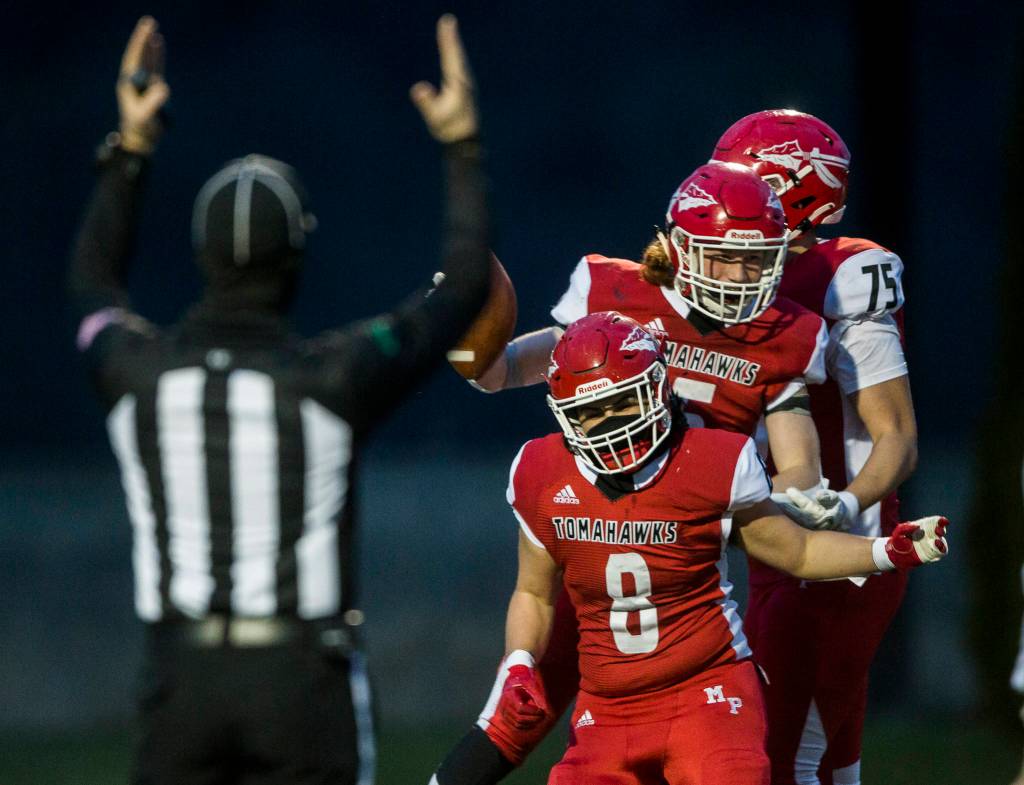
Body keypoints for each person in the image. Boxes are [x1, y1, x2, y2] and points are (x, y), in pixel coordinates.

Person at [68, 15, 491, 785]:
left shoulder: (137, 372)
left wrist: (129, 148)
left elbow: (92, 289)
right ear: (297, 256)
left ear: (200, 255)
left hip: (181, 682)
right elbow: (460, 290)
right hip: (300, 680)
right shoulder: (332, 379)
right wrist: (461, 144)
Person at [431, 161, 831, 784]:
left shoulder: (782, 337)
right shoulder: (614, 295)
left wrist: (800, 493)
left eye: (757, 259)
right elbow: (506, 370)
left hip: (686, 546)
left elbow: (797, 459)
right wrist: (465, 338)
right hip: (600, 518)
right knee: (519, 702)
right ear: (680, 247)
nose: (743, 275)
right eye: (727, 255)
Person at [492, 311, 946, 785]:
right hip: (606, 710)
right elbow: (533, 594)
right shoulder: (540, 473)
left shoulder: (711, 461)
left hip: (705, 695)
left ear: (657, 389)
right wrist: (520, 663)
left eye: (624, 402)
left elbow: (799, 553)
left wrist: (887, 552)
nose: (612, 425)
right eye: (591, 412)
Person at [710, 109, 918, 785]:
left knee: (786, 759)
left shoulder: (844, 274)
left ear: (791, 190)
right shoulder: (739, 271)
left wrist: (845, 501)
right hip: (778, 542)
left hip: (841, 553)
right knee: (825, 762)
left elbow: (896, 434)